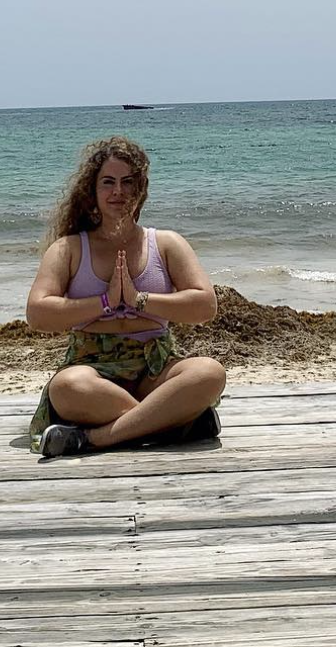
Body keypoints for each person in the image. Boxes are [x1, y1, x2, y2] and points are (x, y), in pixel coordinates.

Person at [26, 136, 226, 457]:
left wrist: (138, 299)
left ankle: (94, 439)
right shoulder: (69, 248)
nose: (117, 191)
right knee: (66, 387)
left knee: (209, 373)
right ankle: (173, 423)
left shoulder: (166, 243)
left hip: (154, 367)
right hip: (92, 368)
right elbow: (38, 313)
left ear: (140, 189)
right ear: (93, 191)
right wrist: (105, 302)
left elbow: (205, 305)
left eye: (127, 182)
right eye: (108, 182)